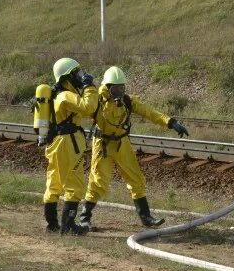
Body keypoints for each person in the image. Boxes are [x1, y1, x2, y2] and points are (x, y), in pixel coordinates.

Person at [79, 66, 189, 230]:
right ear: (107, 88)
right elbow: (81, 109)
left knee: (136, 179)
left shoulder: (127, 101)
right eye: (116, 89)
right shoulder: (97, 101)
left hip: (122, 143)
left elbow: (148, 111)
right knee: (98, 181)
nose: (120, 92)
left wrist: (170, 122)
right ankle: (84, 217)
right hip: (103, 144)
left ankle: (146, 217)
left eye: (122, 88)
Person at [42, 57, 98, 235]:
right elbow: (88, 107)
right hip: (68, 143)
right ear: (67, 77)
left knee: (54, 182)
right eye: (77, 73)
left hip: (56, 142)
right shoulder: (66, 96)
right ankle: (68, 226)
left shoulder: (57, 95)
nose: (80, 77)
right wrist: (90, 87)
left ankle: (52, 224)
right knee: (74, 183)